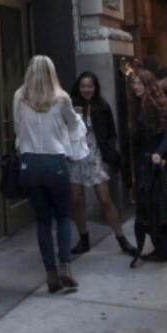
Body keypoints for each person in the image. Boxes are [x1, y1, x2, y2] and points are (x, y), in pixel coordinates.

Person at [14, 55, 86, 293]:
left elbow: (17, 128)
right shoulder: (61, 97)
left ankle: (50, 273)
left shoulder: (20, 96)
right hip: (55, 160)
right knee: (64, 216)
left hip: (30, 161)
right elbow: (74, 124)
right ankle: (65, 265)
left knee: (43, 221)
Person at [68, 71, 137, 257]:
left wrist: (108, 158)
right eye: (83, 86)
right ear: (78, 87)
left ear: (95, 87)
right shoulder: (71, 105)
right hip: (75, 156)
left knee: (105, 199)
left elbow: (110, 134)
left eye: (90, 86)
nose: (86, 89)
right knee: (76, 199)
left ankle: (122, 239)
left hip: (96, 155)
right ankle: (84, 239)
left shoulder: (102, 105)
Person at [130, 70, 167, 267]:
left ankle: (163, 249)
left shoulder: (152, 106)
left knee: (154, 207)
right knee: (160, 205)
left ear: (148, 85)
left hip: (152, 163)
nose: (135, 87)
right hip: (149, 161)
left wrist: (158, 153)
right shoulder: (144, 104)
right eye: (134, 83)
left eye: (139, 83)